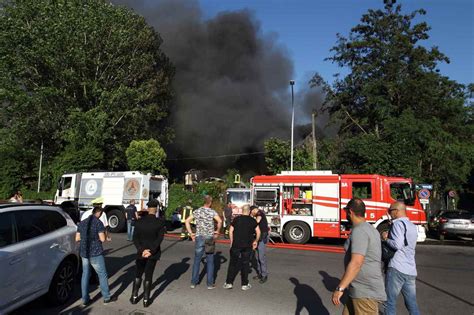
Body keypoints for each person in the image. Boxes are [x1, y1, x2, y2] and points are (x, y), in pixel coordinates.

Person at [332, 198, 386, 315]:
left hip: (365, 292)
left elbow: (356, 263)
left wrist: (340, 288)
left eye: (346, 211)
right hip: (357, 289)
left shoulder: (360, 231)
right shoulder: (371, 229)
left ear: (350, 212)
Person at [382, 201, 420, 315]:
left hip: (397, 268)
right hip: (411, 269)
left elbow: (397, 245)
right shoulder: (413, 226)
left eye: (390, 211)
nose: (389, 213)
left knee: (389, 302)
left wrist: (385, 238)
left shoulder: (397, 224)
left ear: (397, 211)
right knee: (412, 303)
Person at [130, 199, 166, 307]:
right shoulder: (160, 222)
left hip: (141, 252)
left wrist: (142, 250)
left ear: (148, 208)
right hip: (153, 253)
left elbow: (135, 238)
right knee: (148, 276)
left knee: (138, 274)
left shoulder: (139, 222)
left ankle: (134, 296)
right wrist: (151, 251)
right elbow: (159, 239)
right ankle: (146, 299)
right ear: (156, 210)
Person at [76, 205, 114, 305]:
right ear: (99, 213)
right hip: (96, 252)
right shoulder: (98, 223)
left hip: (84, 252)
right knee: (102, 274)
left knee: (85, 274)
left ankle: (85, 299)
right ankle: (106, 297)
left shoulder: (82, 223)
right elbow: (102, 239)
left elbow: (77, 238)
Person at [185, 195, 222, 289]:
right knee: (210, 261)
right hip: (209, 237)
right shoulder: (212, 211)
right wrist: (217, 231)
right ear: (210, 202)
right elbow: (220, 221)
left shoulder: (197, 211)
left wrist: (191, 233)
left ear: (204, 201)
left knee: (197, 260)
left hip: (199, 237)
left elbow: (187, 221)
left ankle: (193, 282)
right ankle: (209, 284)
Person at [223, 204, 261, 291]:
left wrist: (231, 241)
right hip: (247, 245)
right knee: (245, 264)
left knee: (232, 263)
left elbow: (231, 230)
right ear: (249, 211)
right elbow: (258, 232)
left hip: (236, 244)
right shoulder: (252, 221)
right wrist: (255, 241)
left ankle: (229, 283)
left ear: (242, 211)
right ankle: (244, 284)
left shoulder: (236, 219)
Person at [250, 205, 269, 283]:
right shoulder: (259, 213)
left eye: (251, 212)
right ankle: (260, 273)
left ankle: (264, 275)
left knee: (261, 257)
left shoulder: (259, 213)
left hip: (262, 238)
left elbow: (257, 221)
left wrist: (250, 220)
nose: (252, 214)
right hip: (259, 238)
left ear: (254, 210)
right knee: (258, 258)